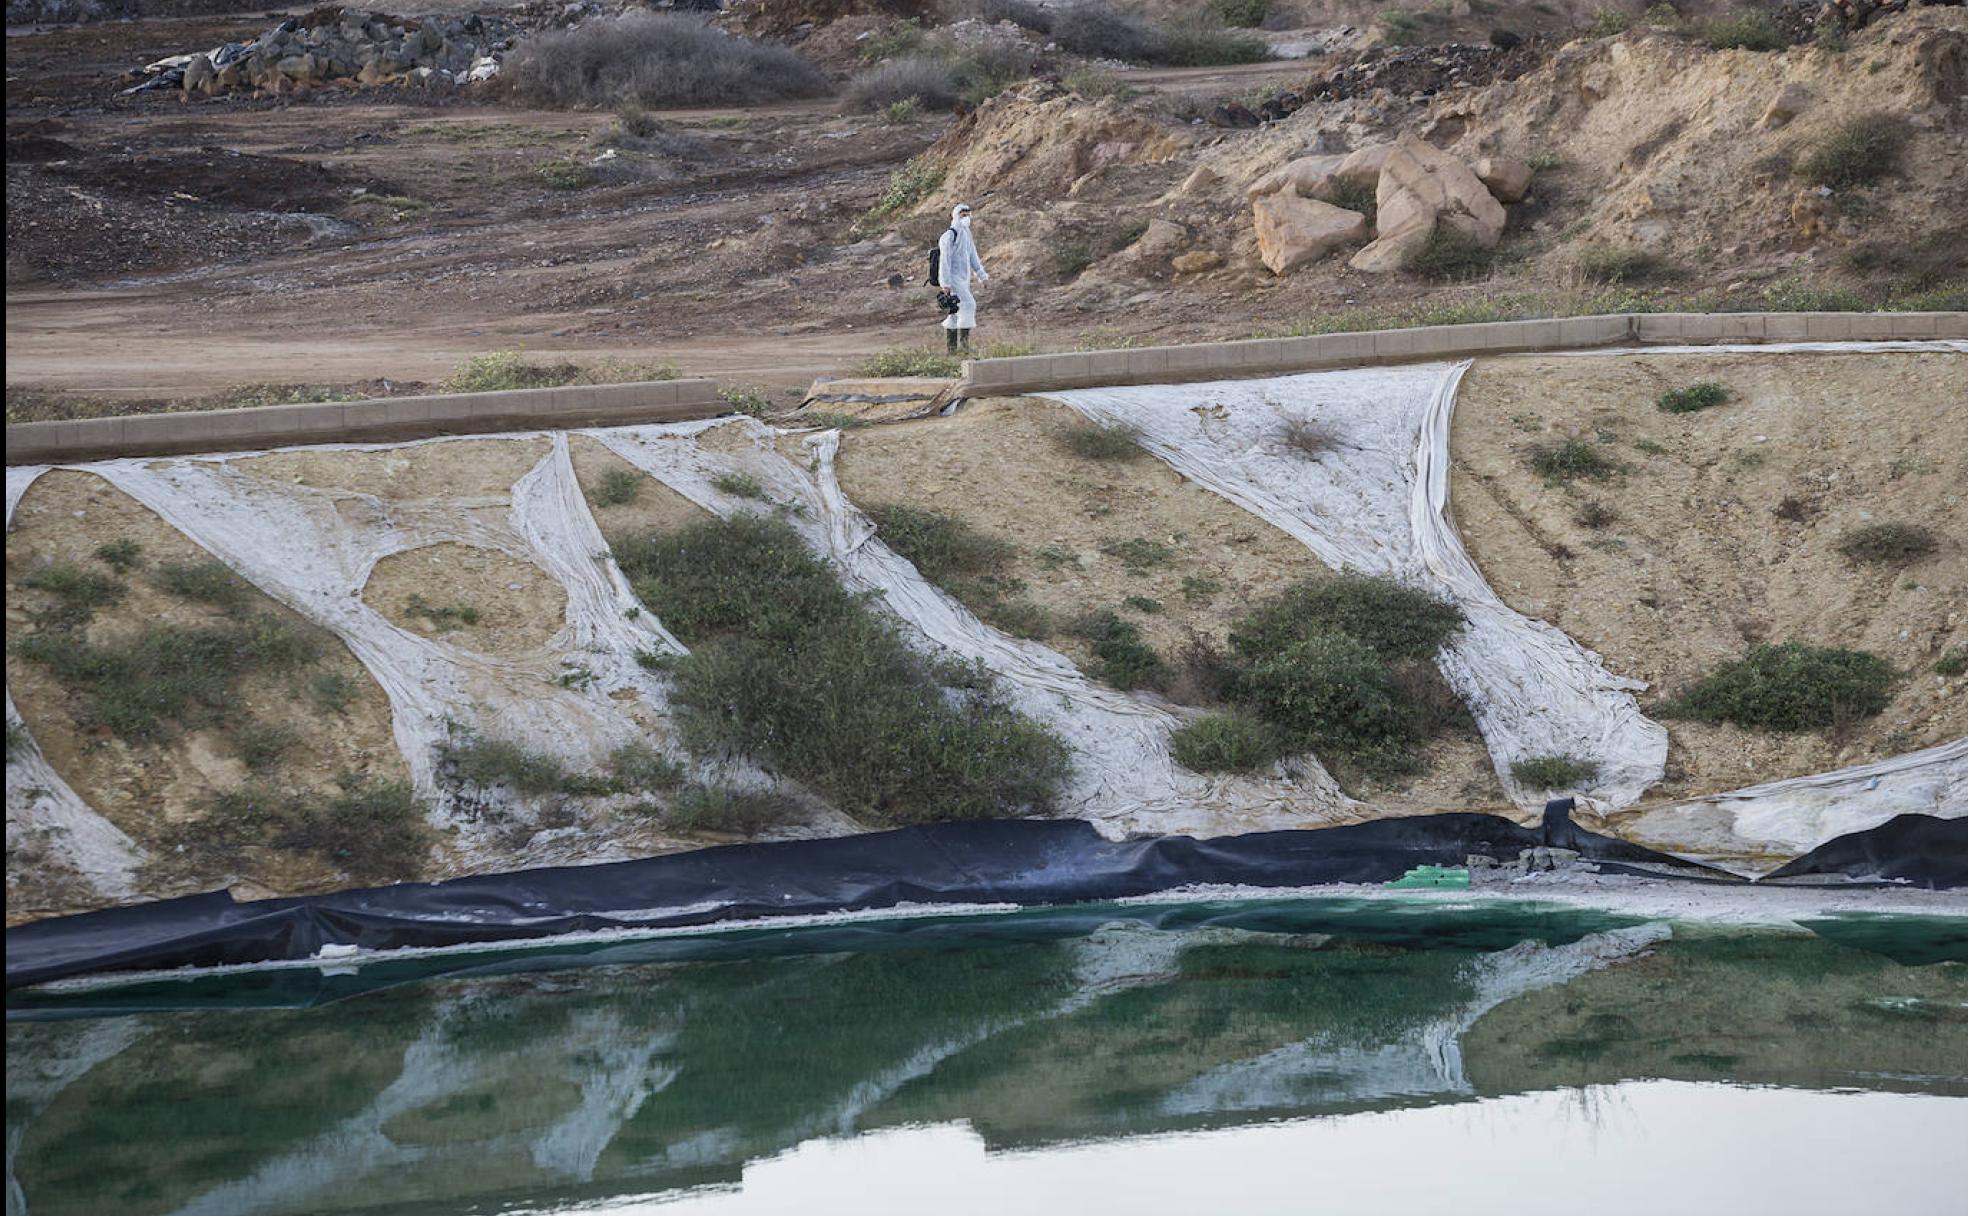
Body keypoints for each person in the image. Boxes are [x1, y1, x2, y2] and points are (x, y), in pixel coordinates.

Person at [936, 202, 988, 354]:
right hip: (953, 280)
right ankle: (964, 347)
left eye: (968, 215)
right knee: (969, 305)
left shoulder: (966, 234)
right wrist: (945, 283)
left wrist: (981, 276)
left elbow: (973, 256)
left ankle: (951, 351)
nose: (966, 218)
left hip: (963, 279)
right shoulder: (949, 236)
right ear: (956, 216)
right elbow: (944, 262)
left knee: (954, 311)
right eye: (962, 215)